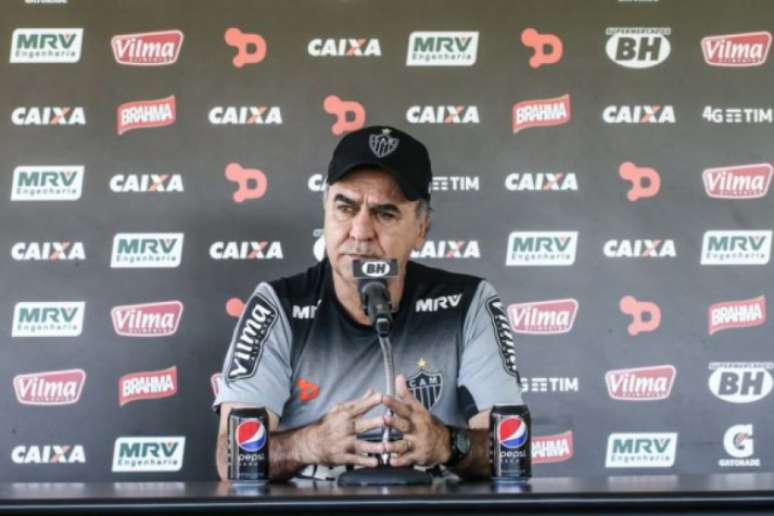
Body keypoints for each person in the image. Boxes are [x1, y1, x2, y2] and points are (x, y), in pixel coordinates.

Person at [213, 125, 523, 481]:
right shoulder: (278, 306)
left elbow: (512, 450)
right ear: (325, 212)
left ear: (422, 228)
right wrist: (308, 444)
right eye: (345, 207)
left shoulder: (467, 304)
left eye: (385, 213)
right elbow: (230, 456)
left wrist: (447, 443)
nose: (360, 232)